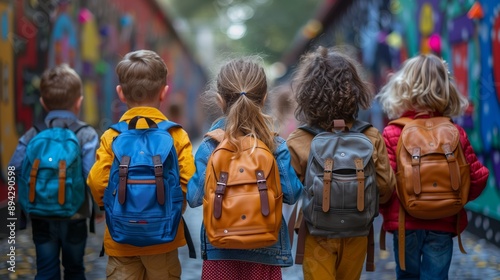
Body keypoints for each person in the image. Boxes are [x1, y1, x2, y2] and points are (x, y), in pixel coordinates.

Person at [187, 56, 303, 280]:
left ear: (220, 100)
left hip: (220, 250)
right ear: (264, 98)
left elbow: (193, 198)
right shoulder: (275, 145)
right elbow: (291, 194)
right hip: (265, 249)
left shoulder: (211, 145)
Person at [286, 46, 396, 280]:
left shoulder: (299, 139)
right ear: (355, 90)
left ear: (308, 93)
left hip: (317, 233)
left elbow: (288, 190)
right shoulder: (370, 136)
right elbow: (386, 187)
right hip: (357, 230)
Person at [376, 53, 489, 279]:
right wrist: (450, 198)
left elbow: (384, 185)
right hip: (443, 223)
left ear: (403, 87)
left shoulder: (392, 132)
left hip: (404, 224)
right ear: (446, 89)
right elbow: (477, 178)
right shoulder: (454, 133)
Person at [86, 50, 195, 279]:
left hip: (121, 239)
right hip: (164, 239)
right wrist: (172, 208)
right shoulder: (176, 134)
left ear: (120, 94)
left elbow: (97, 181)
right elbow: (190, 181)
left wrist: (111, 205)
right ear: (164, 92)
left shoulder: (112, 135)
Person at [9, 64, 99, 280]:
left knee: (46, 269)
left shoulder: (34, 133)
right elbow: (91, 176)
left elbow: (13, 168)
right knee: (75, 269)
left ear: (42, 102)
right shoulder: (86, 135)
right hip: (75, 214)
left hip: (41, 213)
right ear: (79, 102)